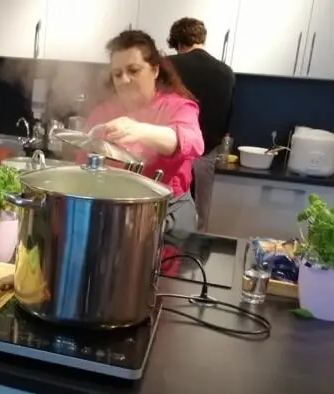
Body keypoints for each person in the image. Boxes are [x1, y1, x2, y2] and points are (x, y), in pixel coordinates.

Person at [84, 30, 204, 233]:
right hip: (113, 212)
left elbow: (193, 142)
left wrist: (139, 130)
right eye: (117, 74)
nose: (124, 80)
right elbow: (83, 161)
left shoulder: (178, 106)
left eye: (134, 70)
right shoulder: (104, 111)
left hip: (168, 215)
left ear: (155, 70)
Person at [167, 17, 235, 232]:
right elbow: (228, 117)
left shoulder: (167, 66)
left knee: (166, 218)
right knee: (199, 220)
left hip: (173, 154)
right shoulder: (226, 72)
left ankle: (164, 262)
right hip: (206, 157)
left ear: (178, 43)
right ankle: (194, 263)